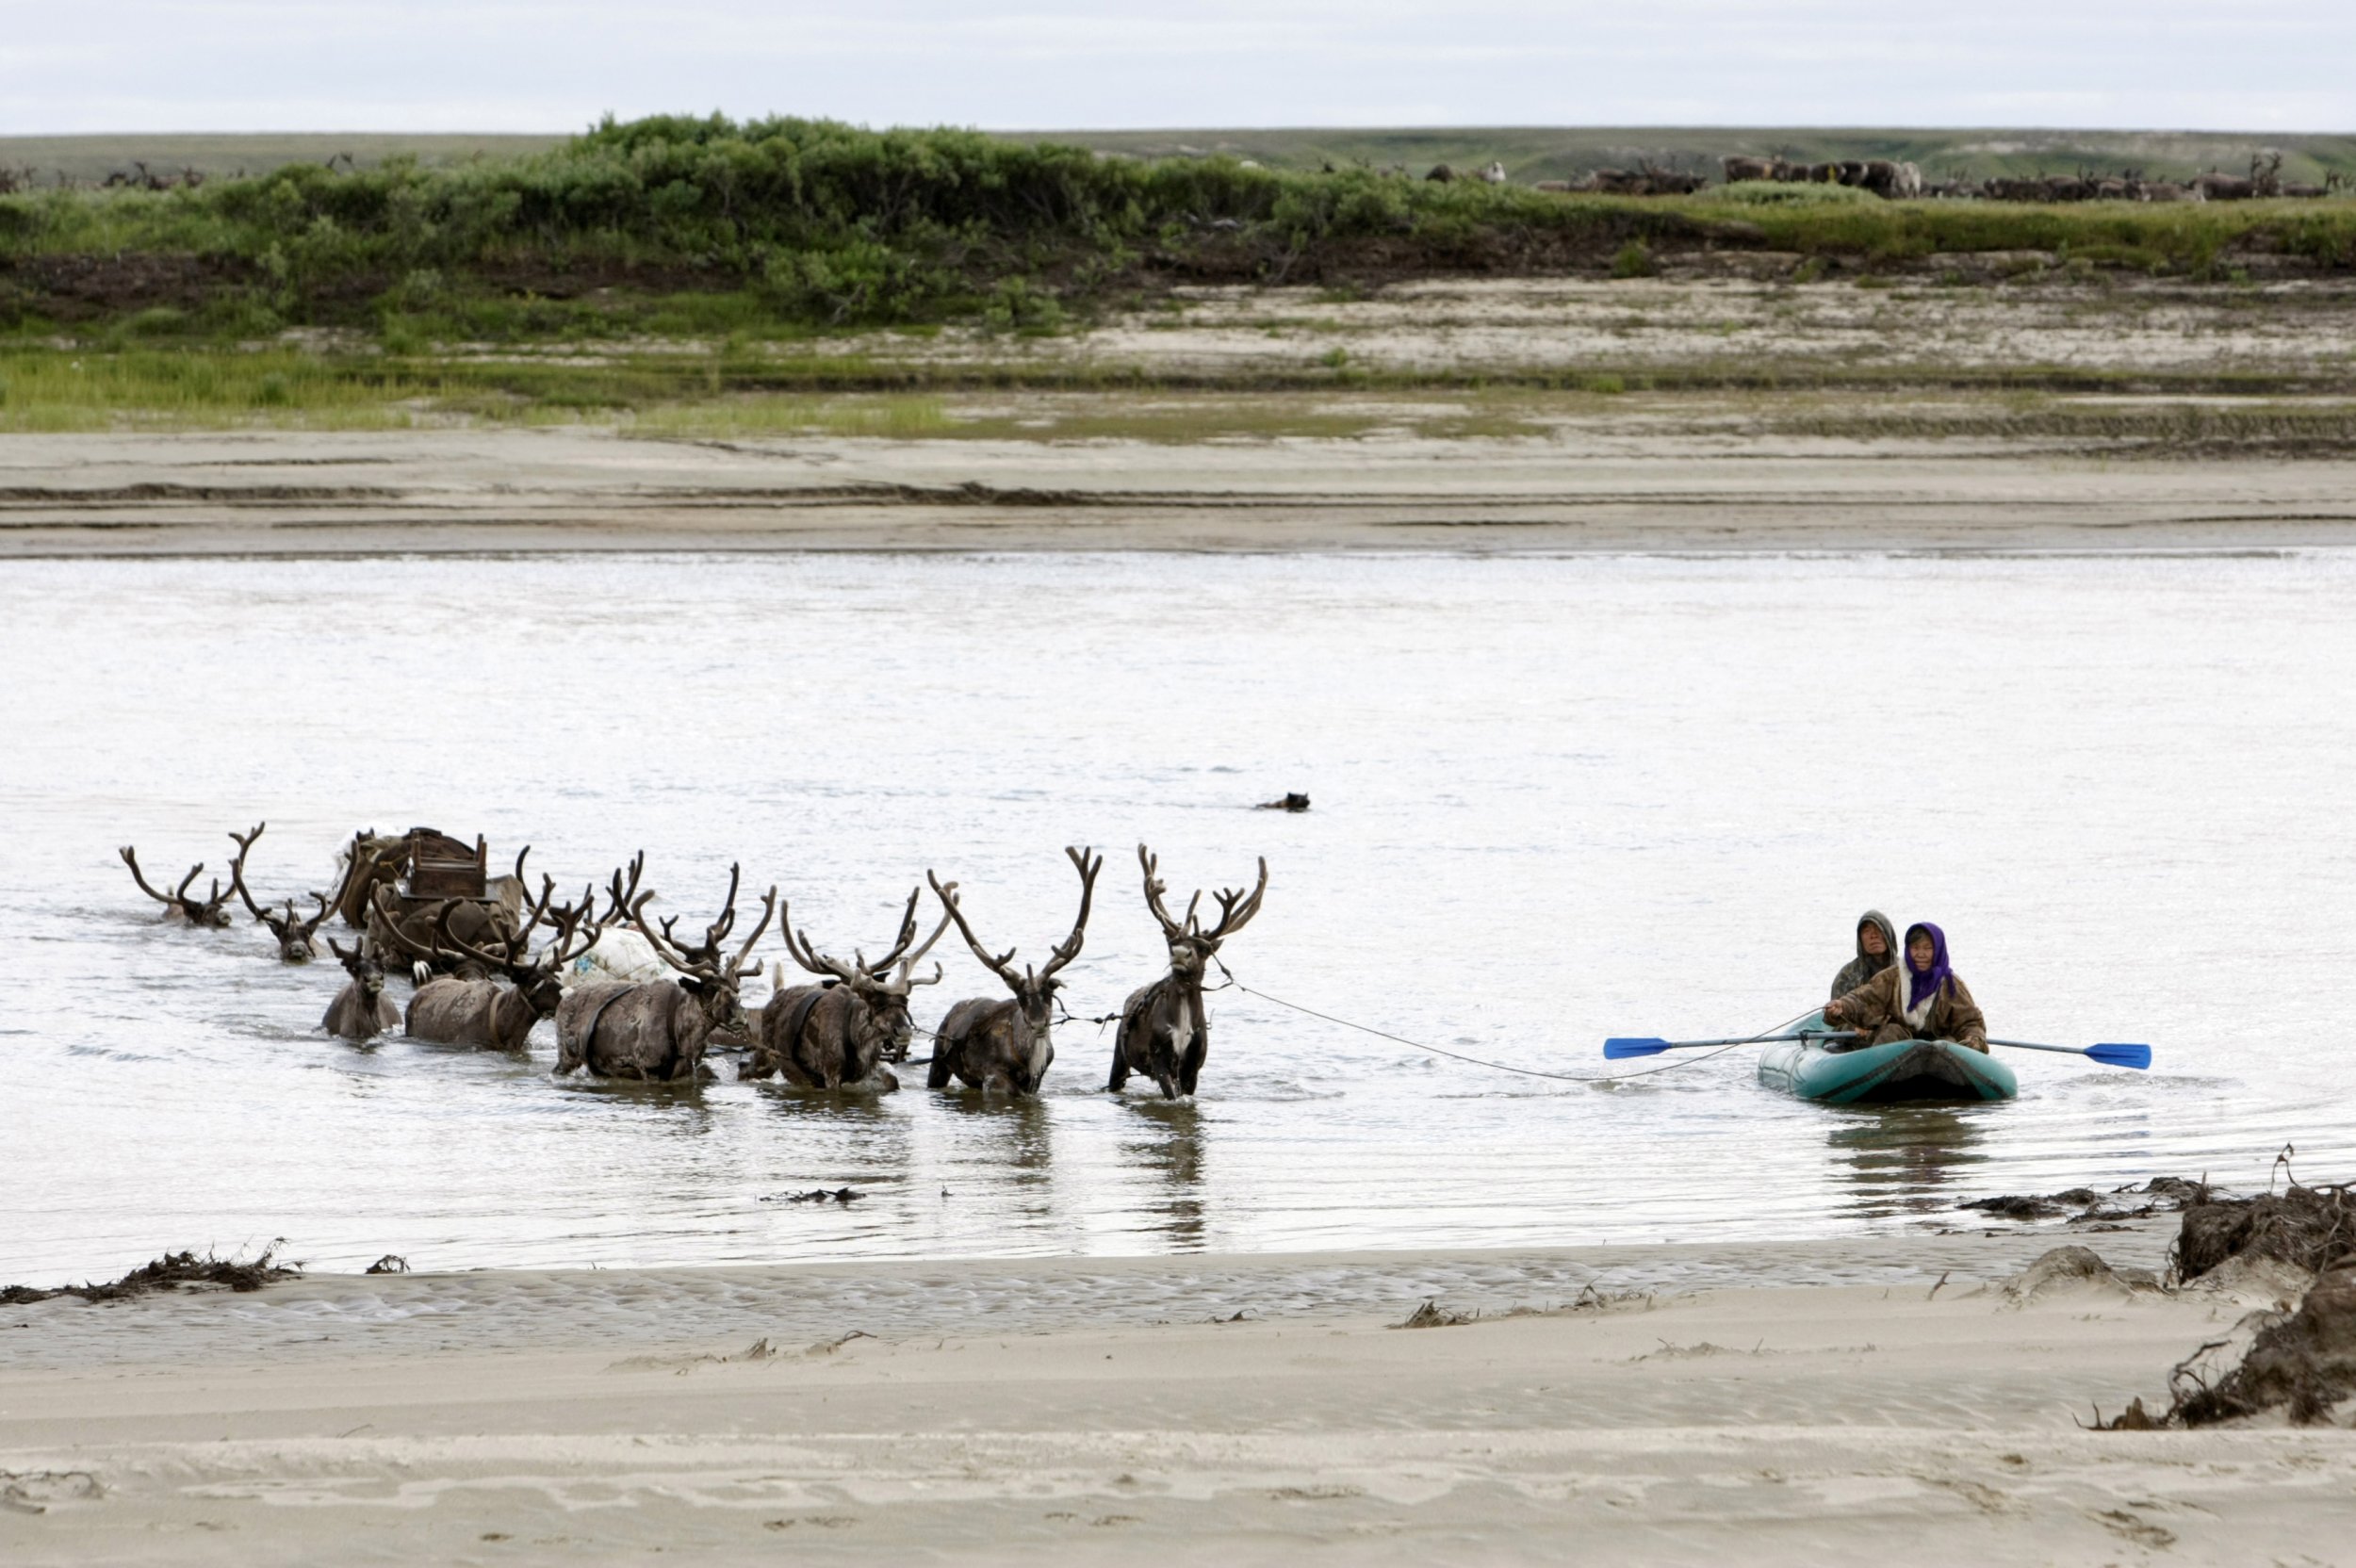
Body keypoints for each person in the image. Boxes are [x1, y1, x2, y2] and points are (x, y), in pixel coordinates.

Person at [1824, 921, 1988, 1053]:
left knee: (1948, 1045)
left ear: (1937, 950)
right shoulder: (1891, 978)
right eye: (1915, 948)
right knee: (1890, 1031)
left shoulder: (1952, 986)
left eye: (1927, 948)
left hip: (1938, 1047)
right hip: (1897, 1044)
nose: (1920, 954)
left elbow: (1970, 1021)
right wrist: (1842, 1006)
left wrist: (1974, 1038)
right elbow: (1864, 1000)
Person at [1829, 909, 1898, 1002]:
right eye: (1867, 931)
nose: (1873, 935)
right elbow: (1836, 1012)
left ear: (1888, 934)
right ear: (1860, 940)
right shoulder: (1847, 976)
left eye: (1878, 929)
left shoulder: (1905, 971)